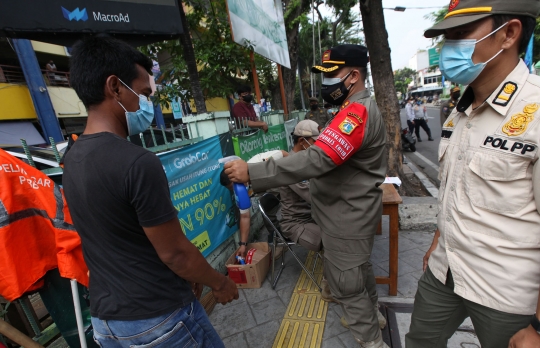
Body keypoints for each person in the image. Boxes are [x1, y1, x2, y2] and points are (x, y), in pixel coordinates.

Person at [63, 35, 238, 348]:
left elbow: (121, 234)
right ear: (114, 87)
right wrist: (219, 283)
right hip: (157, 320)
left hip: (107, 323)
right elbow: (175, 253)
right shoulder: (136, 162)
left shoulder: (72, 159)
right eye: (142, 94)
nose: (146, 104)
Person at [225, 44, 389, 348]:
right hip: (348, 215)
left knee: (349, 287)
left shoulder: (356, 113)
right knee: (359, 272)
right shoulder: (351, 110)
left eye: (331, 75)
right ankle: (374, 315)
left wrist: (253, 172)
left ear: (353, 77)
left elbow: (316, 160)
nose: (325, 84)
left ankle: (372, 339)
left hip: (345, 219)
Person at [406, 1, 540, 347]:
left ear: (509, 33)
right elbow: (455, 189)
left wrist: (538, 327)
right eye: (447, 37)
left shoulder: (535, 114)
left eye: (462, 34)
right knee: (419, 340)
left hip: (505, 292)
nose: (450, 47)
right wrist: (439, 241)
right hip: (444, 271)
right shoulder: (459, 113)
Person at [279, 120, 322, 252]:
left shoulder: (305, 162)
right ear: (302, 141)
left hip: (312, 216)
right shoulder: (291, 166)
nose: (319, 147)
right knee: (336, 241)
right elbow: (313, 195)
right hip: (296, 223)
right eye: (315, 142)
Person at [219, 169, 251, 258]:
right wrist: (243, 245)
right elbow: (245, 216)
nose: (234, 190)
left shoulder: (256, 165)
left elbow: (283, 154)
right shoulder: (239, 193)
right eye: (231, 189)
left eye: (233, 186)